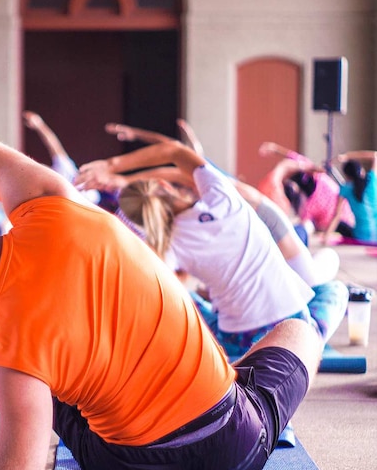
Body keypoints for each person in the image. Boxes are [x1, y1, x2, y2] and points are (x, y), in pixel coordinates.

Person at [0, 128, 324, 470]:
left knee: (44, 395)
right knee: (300, 331)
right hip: (233, 441)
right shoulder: (54, 205)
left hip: (131, 466)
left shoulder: (11, 361)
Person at [78, 139, 347, 358]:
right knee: (335, 289)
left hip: (236, 342)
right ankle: (311, 344)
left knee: (182, 297)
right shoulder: (221, 196)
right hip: (291, 326)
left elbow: (157, 292)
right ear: (162, 185)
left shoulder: (169, 244)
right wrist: (112, 167)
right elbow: (174, 151)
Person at [257, 141, 355, 241]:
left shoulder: (309, 206)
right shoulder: (320, 178)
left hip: (336, 223)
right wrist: (275, 148)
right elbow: (295, 158)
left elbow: (290, 160)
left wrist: (275, 149)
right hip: (345, 219)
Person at [326, 150, 377, 245]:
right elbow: (375, 155)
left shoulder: (345, 188)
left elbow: (337, 216)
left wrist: (326, 237)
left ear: (347, 176)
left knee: (341, 225)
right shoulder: (371, 179)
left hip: (360, 236)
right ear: (361, 171)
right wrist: (347, 156)